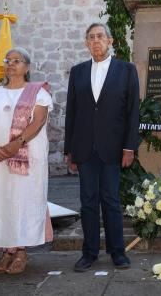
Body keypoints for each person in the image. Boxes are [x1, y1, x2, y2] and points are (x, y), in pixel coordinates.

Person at [64, 23, 139, 272]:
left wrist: (129, 147)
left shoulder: (126, 70)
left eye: (100, 37)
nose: (96, 41)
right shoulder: (78, 72)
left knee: (111, 200)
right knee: (87, 202)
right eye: (91, 37)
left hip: (113, 147)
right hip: (85, 148)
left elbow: (132, 113)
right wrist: (69, 150)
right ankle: (89, 252)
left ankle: (118, 252)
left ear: (110, 40)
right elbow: (72, 113)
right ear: (86, 43)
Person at [0, 48, 53, 275]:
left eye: (17, 61)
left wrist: (16, 143)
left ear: (27, 67)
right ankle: (6, 251)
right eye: (8, 60)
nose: (11, 64)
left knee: (22, 201)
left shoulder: (38, 92)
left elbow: (38, 121)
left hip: (27, 158)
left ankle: (20, 250)